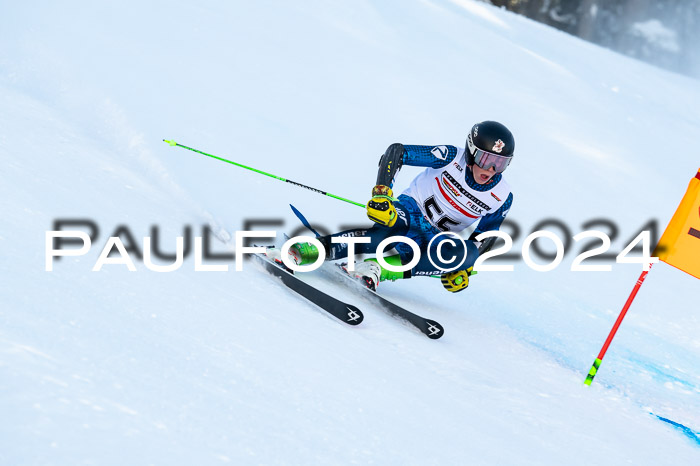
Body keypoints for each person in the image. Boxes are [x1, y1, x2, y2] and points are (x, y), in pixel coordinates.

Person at [288, 120, 515, 292]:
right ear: (471, 151)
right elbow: (397, 152)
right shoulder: (450, 157)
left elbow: (485, 237)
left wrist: (464, 266)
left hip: (435, 239)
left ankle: (378, 269)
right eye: (487, 160)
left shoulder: (502, 196)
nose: (491, 170)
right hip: (410, 212)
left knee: (464, 256)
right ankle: (314, 250)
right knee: (389, 231)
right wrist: (382, 194)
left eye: (500, 163)